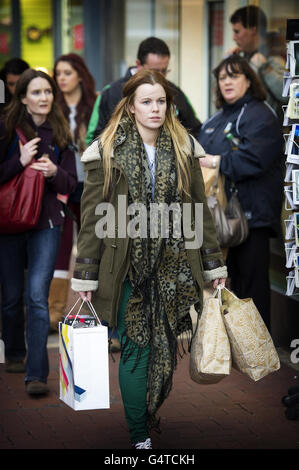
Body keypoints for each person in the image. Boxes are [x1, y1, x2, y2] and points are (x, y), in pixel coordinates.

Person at [71, 69, 227, 449]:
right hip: (125, 266)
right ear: (131, 105)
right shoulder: (106, 151)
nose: (155, 109)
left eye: (161, 101)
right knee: (138, 347)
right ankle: (139, 433)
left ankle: (145, 414)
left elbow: (197, 213)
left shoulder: (184, 147)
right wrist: (86, 277)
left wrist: (212, 266)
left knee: (161, 345)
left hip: (173, 268)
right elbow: (92, 218)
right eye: (147, 101)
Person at [0, 69, 77, 394]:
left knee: (36, 296)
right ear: (21, 98)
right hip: (9, 224)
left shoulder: (60, 132)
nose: (44, 97)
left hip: (47, 223)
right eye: (36, 92)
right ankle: (15, 352)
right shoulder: (5, 131)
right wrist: (19, 161)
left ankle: (36, 375)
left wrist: (54, 172)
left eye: (47, 92)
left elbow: (72, 185)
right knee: (11, 298)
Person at [197, 55, 284, 331]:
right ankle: (236, 348)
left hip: (251, 217)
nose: (227, 82)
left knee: (251, 286)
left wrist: (215, 161)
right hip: (219, 218)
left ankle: (258, 350)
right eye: (222, 78)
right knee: (225, 283)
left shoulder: (260, 114)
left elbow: (255, 158)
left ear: (249, 79)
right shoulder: (216, 117)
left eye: (234, 76)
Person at [47, 54, 97, 332]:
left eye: (67, 72)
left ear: (79, 73)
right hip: (63, 187)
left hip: (91, 186)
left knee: (93, 247)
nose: (61, 78)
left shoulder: (95, 104)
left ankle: (96, 308)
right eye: (58, 74)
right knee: (61, 247)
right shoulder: (53, 107)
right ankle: (55, 312)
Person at [86, 36, 201, 144]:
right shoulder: (110, 93)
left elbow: (194, 130)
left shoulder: (175, 92)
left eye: (164, 71)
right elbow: (93, 138)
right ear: (138, 64)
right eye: (155, 71)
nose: (161, 76)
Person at [229, 5, 286, 122]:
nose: (234, 38)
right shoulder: (243, 57)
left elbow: (287, 94)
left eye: (237, 32)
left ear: (253, 30)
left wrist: (266, 69)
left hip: (267, 131)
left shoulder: (275, 55)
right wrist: (229, 63)